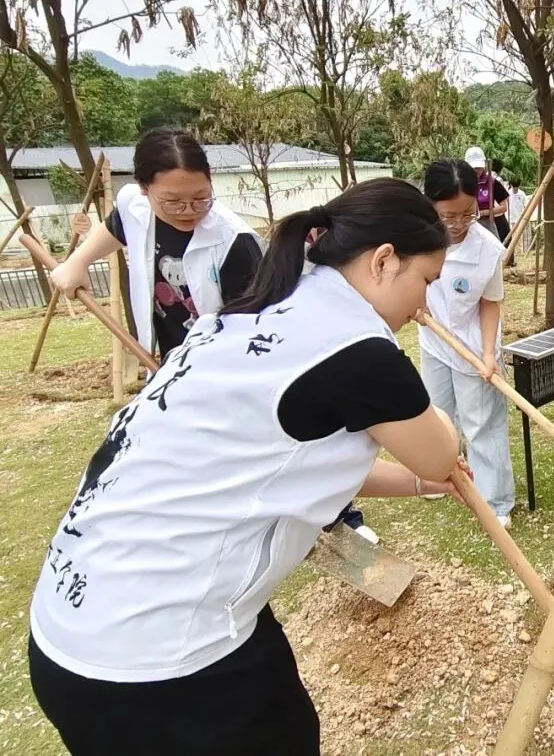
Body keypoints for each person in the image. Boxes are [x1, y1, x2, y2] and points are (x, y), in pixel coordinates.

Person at [27, 178, 464, 756]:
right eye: (425, 282)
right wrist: (431, 458)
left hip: (72, 637)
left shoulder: (253, 308)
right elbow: (440, 448)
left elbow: (281, 466)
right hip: (161, 665)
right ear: (384, 260)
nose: (422, 306)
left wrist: (415, 485)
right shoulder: (356, 347)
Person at [49, 128, 264, 360]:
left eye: (201, 198)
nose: (188, 210)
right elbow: (117, 225)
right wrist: (77, 262)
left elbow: (253, 329)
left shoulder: (236, 243)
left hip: (221, 365)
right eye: (173, 202)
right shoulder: (135, 206)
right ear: (144, 187)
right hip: (169, 362)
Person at [417, 159, 515, 528]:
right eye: (448, 215)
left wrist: (489, 355)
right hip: (433, 339)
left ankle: (496, 502)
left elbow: (491, 303)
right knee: (438, 415)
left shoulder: (486, 249)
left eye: (466, 214)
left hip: (474, 347)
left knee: (481, 424)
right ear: (430, 206)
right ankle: (442, 478)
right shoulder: (417, 239)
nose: (457, 224)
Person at [465, 146, 510, 244]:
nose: (477, 170)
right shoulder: (461, 184)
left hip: (487, 224)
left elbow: (503, 207)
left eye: (479, 167)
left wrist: (484, 212)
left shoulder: (492, 182)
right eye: (473, 168)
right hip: (468, 226)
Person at [505, 176, 528, 267]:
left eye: (517, 186)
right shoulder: (507, 193)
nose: (515, 188)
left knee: (519, 236)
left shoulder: (522, 194)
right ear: (511, 185)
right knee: (510, 237)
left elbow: (526, 206)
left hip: (519, 218)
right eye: (514, 186)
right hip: (509, 218)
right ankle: (512, 252)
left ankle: (520, 251)